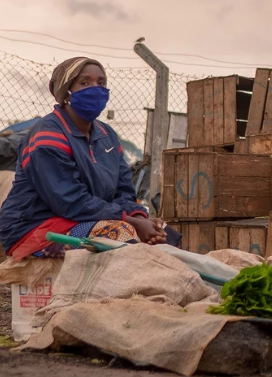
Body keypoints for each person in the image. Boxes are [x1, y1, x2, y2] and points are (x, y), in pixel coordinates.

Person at [0, 57, 170, 259]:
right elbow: (69, 201)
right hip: (36, 228)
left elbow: (124, 190)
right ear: (66, 92)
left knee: (168, 239)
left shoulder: (107, 136)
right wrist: (130, 222)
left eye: (101, 83)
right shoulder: (47, 135)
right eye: (84, 82)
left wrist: (138, 216)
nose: (95, 88)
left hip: (88, 219)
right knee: (121, 235)